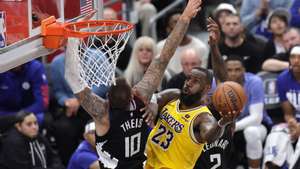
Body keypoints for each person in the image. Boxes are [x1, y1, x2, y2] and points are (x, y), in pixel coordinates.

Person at [64, 0, 203, 168]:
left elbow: (72, 77)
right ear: (132, 94)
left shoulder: (102, 112)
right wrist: (185, 17)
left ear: (107, 97)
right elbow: (163, 57)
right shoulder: (140, 97)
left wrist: (73, 37)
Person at [144, 17, 236, 169]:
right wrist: (153, 103)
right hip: (149, 162)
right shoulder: (174, 95)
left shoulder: (204, 116)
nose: (188, 83)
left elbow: (210, 135)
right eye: (188, 79)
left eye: (195, 81)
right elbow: (156, 97)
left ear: (207, 88)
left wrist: (222, 123)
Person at [225, 55, 273, 169]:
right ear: (224, 71)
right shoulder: (218, 83)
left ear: (244, 70)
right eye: (229, 70)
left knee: (251, 132)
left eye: (237, 70)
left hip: (257, 125)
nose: (233, 73)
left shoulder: (254, 82)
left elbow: (256, 118)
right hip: (230, 127)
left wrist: (231, 127)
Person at [0, 60, 49, 132]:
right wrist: (15, 117)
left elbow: (42, 102)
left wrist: (22, 115)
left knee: (39, 120)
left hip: (31, 112)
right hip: (6, 115)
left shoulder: (35, 67)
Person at [156, 8, 208, 76]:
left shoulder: (200, 47)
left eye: (183, 20)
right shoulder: (160, 47)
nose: (181, 24)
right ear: (168, 29)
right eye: (175, 22)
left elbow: (203, 75)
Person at [277, 45, 300, 122]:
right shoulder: (282, 79)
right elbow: (288, 114)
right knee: (275, 134)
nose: (296, 60)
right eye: (293, 57)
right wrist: (292, 124)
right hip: (295, 124)